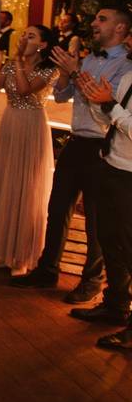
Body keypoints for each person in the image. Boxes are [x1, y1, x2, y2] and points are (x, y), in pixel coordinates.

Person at [13, 8, 132, 304]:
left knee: (95, 219)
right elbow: (64, 96)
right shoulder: (89, 58)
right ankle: (47, 269)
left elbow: (105, 105)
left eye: (102, 19)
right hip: (76, 140)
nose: (93, 22)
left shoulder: (125, 66)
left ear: (120, 28)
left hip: (102, 146)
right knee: (58, 207)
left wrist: (76, 72)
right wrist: (66, 74)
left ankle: (91, 281)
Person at [0, 26, 57, 275]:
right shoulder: (12, 65)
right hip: (10, 122)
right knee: (7, 183)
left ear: (43, 45)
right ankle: (4, 250)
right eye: (24, 34)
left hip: (31, 126)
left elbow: (25, 90)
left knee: (28, 187)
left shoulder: (49, 69)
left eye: (31, 35)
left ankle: (23, 256)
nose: (24, 37)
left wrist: (16, 61)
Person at [78, 66, 132, 349]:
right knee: (109, 240)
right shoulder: (127, 78)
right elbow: (109, 122)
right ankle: (116, 305)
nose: (128, 40)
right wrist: (96, 102)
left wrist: (110, 104)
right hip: (112, 165)